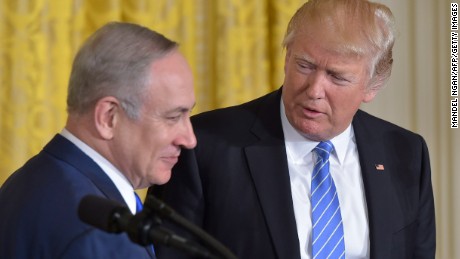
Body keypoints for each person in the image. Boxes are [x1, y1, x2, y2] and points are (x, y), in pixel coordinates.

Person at [150, 0, 436, 258]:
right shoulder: (202, 146)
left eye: (337, 77)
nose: (314, 90)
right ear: (287, 57)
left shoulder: (406, 154)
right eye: (305, 65)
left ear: (373, 85)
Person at [0, 22, 197, 259]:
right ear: (108, 117)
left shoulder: (29, 181)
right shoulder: (102, 235)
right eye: (173, 117)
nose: (189, 139)